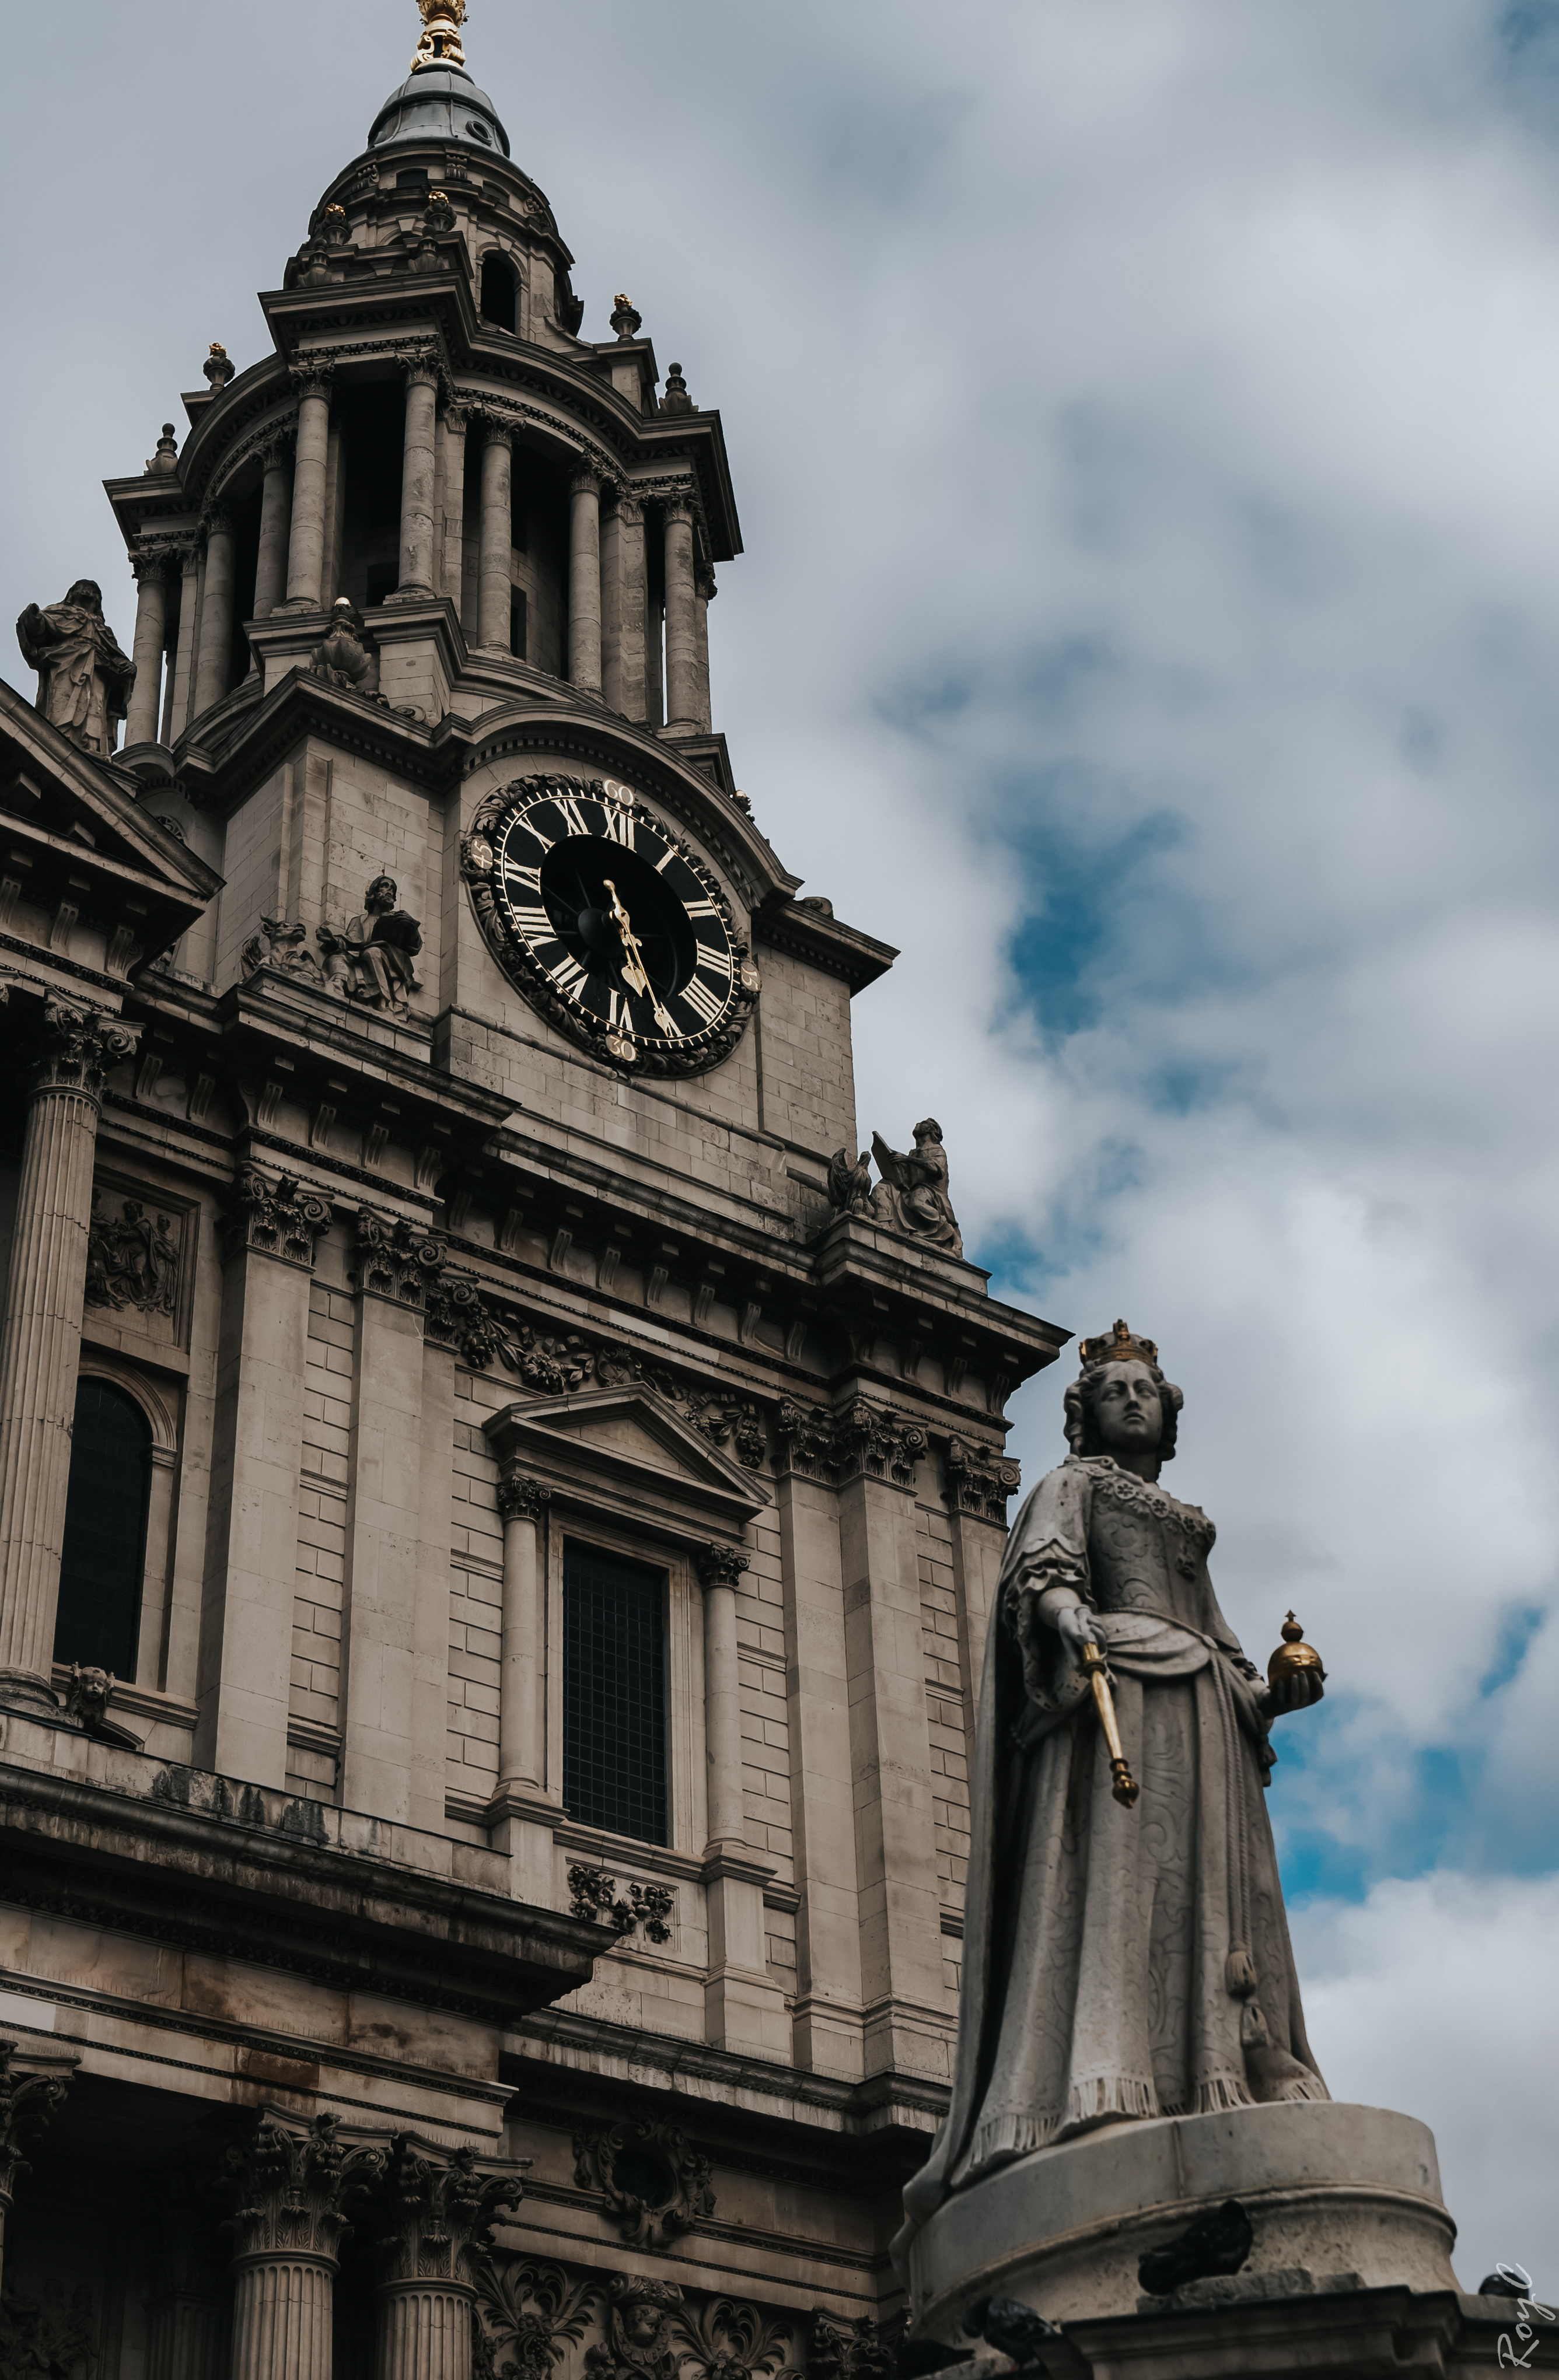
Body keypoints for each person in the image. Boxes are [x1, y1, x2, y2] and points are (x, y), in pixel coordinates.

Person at [900, 1321, 1327, 2238]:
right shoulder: (1071, 1486)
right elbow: (1040, 1572)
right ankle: (1106, 2071)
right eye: (1113, 1390)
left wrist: (1274, 1692)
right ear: (1085, 1415)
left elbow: (1219, 1637)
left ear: (1168, 1416)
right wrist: (1067, 1618)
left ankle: (1224, 2067)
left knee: (1213, 1902)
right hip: (1118, 1695)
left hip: (1204, 1710)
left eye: (1145, 1391)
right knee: (1121, 1888)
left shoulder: (1187, 1521)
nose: (1131, 1398)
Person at [16, 580, 135, 757]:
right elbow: (42, 626)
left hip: (99, 669)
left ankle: (92, 749)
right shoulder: (60, 612)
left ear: (98, 602)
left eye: (94, 591)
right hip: (67, 662)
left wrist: (127, 666)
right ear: (72, 594)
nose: (88, 591)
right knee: (62, 699)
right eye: (83, 588)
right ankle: (58, 739)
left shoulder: (103, 629)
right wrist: (34, 617)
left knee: (96, 705)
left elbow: (115, 654)